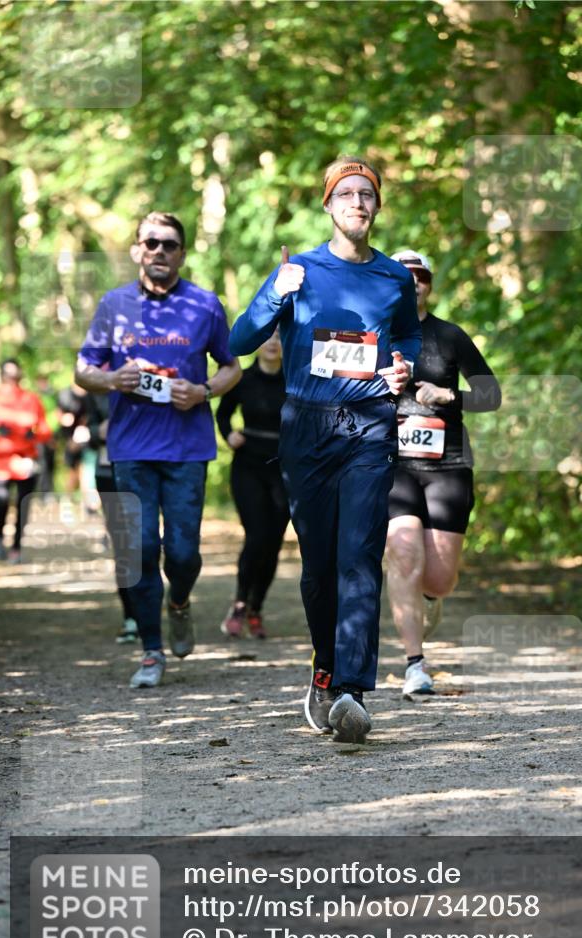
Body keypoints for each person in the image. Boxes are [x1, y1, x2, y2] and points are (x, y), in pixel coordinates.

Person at [230, 156, 421, 743]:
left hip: (369, 424)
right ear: (329, 206)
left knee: (359, 554)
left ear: (377, 207)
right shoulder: (299, 271)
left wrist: (403, 368)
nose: (358, 203)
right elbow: (239, 341)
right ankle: (324, 667)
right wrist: (271, 296)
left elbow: (408, 334)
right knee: (318, 569)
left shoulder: (394, 278)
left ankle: (352, 692)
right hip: (307, 428)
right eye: (346, 195)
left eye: (367, 195)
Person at [75, 211, 241, 689]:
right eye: (151, 243)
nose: (160, 251)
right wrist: (112, 378)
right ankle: (151, 651)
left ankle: (180, 602)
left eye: (169, 244)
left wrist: (204, 390)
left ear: (182, 253)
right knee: (142, 549)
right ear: (137, 251)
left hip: (188, 446)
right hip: (131, 447)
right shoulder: (113, 305)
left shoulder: (205, 305)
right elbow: (83, 371)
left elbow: (233, 368)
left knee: (183, 554)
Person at [385, 250, 501, 696]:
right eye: (403, 276)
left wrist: (448, 395)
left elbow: (491, 394)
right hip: (392, 466)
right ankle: (415, 664)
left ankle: (430, 597)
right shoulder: (373, 336)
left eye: (421, 277)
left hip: (447, 466)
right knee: (403, 551)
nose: (413, 283)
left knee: (439, 577)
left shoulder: (449, 336)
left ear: (430, 285)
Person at [216, 329, 290, 639]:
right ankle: (239, 603)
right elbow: (223, 414)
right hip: (248, 466)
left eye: (280, 337)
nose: (273, 343)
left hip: (285, 469)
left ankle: (256, 607)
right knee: (257, 535)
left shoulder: (297, 381)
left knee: (273, 543)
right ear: (257, 344)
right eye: (267, 337)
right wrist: (229, 434)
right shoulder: (242, 379)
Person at [85, 390, 138, 644]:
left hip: (146, 469)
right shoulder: (99, 388)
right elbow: (89, 432)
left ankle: (152, 609)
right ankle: (131, 617)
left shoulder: (158, 370)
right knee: (123, 545)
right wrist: (99, 432)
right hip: (108, 471)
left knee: (146, 542)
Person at [0, 359, 53, 564]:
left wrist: (33, 435)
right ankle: (0, 538)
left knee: (23, 504)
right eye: (8, 377)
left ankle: (17, 547)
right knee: (0, 500)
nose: (12, 381)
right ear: (2, 376)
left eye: (15, 377)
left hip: (25, 460)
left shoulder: (31, 399)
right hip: (0, 460)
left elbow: (44, 430)